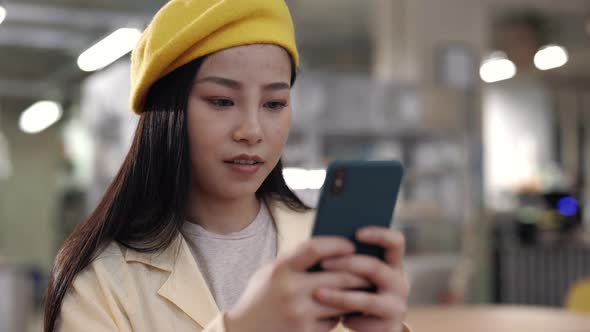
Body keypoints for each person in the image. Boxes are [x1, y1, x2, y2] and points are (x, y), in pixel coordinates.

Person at [44, 0, 410, 331]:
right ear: (165, 113)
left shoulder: (328, 248)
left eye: (274, 104)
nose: (252, 131)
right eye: (221, 100)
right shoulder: (100, 281)